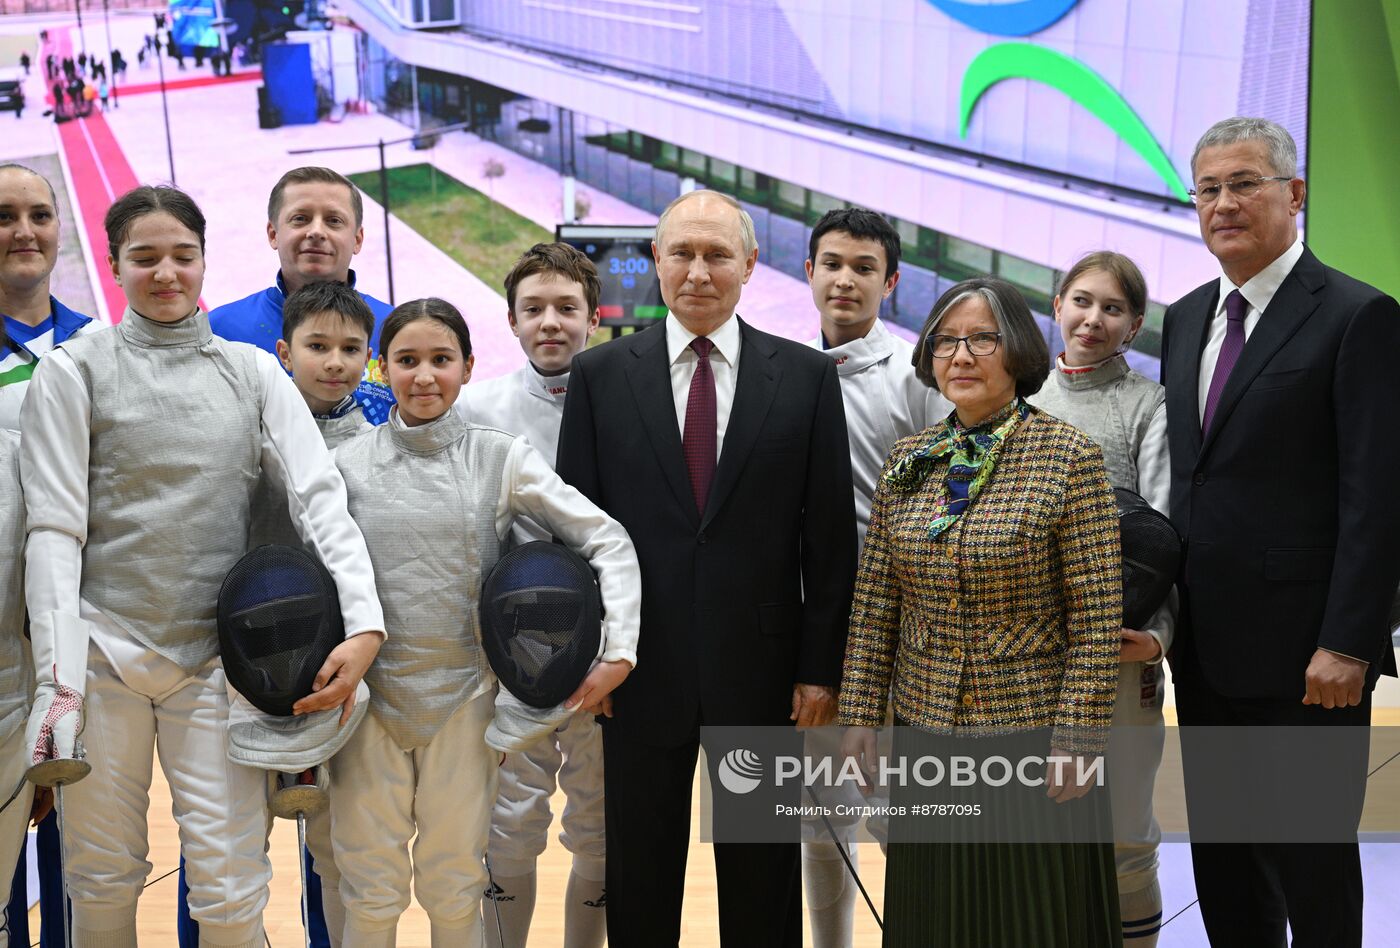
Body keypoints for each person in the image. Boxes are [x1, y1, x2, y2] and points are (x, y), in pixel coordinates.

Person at [20, 184, 386, 948]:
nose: (165, 274)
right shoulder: (73, 371)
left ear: (204, 261)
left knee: (228, 886)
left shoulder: (251, 372)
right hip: (103, 656)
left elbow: (320, 498)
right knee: (102, 879)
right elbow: (54, 528)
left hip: (216, 666)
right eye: (144, 258)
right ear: (116, 263)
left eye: (182, 256)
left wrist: (366, 624)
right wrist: (59, 681)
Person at [555, 189, 857, 947]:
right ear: (655, 260)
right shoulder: (598, 377)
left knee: (762, 875)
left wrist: (821, 669)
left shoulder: (806, 378)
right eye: (682, 252)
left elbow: (827, 538)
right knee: (640, 867)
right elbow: (575, 536)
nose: (698, 271)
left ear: (750, 265)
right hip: (637, 669)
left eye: (718, 254)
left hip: (761, 671)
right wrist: (593, 658)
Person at [328, 298, 640, 946]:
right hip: (368, 709)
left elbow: (608, 540)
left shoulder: (502, 457)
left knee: (453, 884)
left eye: (440, 360)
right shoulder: (346, 466)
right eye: (407, 361)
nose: (423, 377)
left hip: (466, 707)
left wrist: (620, 649)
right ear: (381, 369)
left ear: (467, 368)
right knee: (371, 888)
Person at [1160, 116, 1400, 947]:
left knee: (1312, 867)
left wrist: (1350, 642)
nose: (1224, 202)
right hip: (1206, 648)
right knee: (1224, 865)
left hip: (1310, 661)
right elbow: (1191, 486)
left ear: (1294, 194)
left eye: (1245, 183)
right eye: (1208, 188)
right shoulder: (1187, 318)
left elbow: (1379, 497)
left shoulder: (1357, 316)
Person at [837, 277, 1123, 947]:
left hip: (1031, 739)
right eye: (946, 340)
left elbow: (1096, 615)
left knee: (1031, 918)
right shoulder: (908, 462)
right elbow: (877, 601)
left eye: (982, 339)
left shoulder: (1068, 457)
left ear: (1017, 350)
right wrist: (860, 716)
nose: (961, 355)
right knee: (936, 916)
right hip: (926, 731)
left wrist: (1079, 735)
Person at [800, 206, 946, 946]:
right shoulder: (786, 375)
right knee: (821, 825)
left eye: (863, 268)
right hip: (814, 642)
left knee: (900, 819)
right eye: (833, 264)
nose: (846, 280)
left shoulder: (919, 381)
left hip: (900, 642)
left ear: (890, 282)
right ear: (809, 273)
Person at [460, 243, 608, 948]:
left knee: (600, 828)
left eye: (567, 308)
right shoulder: (477, 406)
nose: (551, 322)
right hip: (509, 662)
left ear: (593, 316)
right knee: (511, 826)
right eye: (534, 309)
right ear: (513, 320)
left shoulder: (625, 402)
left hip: (603, 662)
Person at [1027, 251, 1173, 946]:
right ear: (1057, 305)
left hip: (1120, 657)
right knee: (1035, 833)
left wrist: (1161, 635)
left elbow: (1169, 538)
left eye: (1112, 308)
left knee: (1122, 836)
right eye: (1082, 301)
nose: (1093, 319)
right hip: (1024, 660)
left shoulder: (1148, 405)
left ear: (1135, 325)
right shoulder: (1016, 402)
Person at [239, 280, 379, 947]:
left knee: (339, 848)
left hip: (341, 664)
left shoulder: (386, 425)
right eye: (317, 346)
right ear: (282, 351)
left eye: (351, 348)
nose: (334, 362)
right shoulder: (250, 430)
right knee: (238, 851)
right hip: (252, 663)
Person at [0, 163, 100, 945]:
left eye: (38, 214)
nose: (23, 232)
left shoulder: (98, 346)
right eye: (4, 216)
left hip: (80, 647)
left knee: (85, 870)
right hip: (1, 655)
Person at [210, 166, 394, 425]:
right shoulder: (220, 331)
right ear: (273, 234)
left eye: (334, 220)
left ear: (358, 239)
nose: (316, 231)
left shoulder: (394, 329)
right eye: (300, 218)